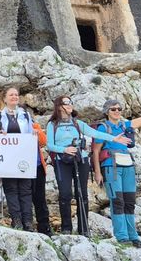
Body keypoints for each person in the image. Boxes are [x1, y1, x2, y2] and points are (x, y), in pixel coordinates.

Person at [93, 97, 141, 247]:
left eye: (119, 109)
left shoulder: (125, 125)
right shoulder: (103, 128)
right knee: (117, 200)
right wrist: (98, 172)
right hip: (111, 166)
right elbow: (96, 151)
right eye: (113, 109)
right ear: (107, 112)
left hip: (128, 165)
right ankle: (122, 236)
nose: (117, 111)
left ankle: (133, 236)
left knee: (129, 201)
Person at [47, 96, 130, 236]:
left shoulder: (77, 123)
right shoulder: (52, 124)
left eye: (71, 102)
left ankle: (84, 228)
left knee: (82, 193)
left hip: (81, 159)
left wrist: (114, 138)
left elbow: (95, 133)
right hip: (62, 161)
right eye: (66, 103)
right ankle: (66, 228)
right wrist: (64, 150)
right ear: (59, 106)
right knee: (65, 194)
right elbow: (49, 144)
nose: (70, 105)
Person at [0, 87, 37, 231]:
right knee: (11, 189)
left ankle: (28, 221)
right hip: (7, 158)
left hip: (23, 157)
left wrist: (33, 134)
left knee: (25, 189)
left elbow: (30, 134)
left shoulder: (25, 116)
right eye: (11, 95)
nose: (14, 97)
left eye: (16, 94)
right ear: (4, 98)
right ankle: (16, 220)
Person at [31, 121, 52, 235]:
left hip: (37, 166)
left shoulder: (34, 125)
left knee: (40, 198)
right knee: (25, 198)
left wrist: (37, 130)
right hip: (22, 168)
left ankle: (44, 227)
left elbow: (43, 141)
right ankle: (27, 224)